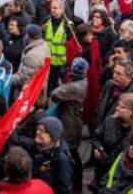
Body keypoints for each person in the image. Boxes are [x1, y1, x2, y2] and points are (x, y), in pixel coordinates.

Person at [92, 93, 133, 186]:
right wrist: (98, 148)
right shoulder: (109, 120)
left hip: (127, 175)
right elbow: (96, 137)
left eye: (122, 107)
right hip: (104, 170)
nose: (117, 108)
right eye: (118, 105)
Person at [51, 57, 88, 194]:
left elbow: (55, 94)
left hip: (70, 126)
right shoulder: (80, 82)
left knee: (68, 156)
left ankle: (75, 186)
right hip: (71, 123)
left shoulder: (76, 86)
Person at [43, 0, 73, 90]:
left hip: (60, 63)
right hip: (47, 60)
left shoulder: (68, 25)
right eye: (52, 8)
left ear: (62, 10)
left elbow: (71, 45)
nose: (53, 10)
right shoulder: (47, 21)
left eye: (55, 8)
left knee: (56, 87)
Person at [11, 24, 51, 89]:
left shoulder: (31, 56)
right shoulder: (44, 45)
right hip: (40, 88)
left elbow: (22, 79)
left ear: (28, 36)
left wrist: (6, 79)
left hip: (29, 91)